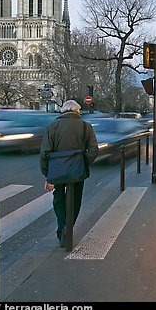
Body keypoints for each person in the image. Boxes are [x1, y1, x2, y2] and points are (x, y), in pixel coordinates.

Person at [40, 100, 99, 246]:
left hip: (57, 170)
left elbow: (45, 153)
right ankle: (68, 227)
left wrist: (47, 175)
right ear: (76, 111)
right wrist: (83, 163)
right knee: (76, 199)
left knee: (58, 199)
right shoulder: (86, 126)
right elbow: (93, 150)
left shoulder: (52, 126)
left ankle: (62, 227)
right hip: (77, 169)